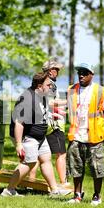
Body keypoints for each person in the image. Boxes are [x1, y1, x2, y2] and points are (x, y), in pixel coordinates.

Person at [2, 72, 70, 197]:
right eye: (49, 84)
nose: (51, 86)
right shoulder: (28, 99)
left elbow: (43, 110)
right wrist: (18, 144)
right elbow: (19, 123)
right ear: (39, 86)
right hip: (27, 136)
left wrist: (54, 113)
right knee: (29, 161)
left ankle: (54, 190)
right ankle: (9, 190)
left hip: (39, 135)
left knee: (45, 159)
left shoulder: (42, 95)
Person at [66, 63, 104, 206]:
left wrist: (97, 125)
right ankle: (77, 195)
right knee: (76, 167)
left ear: (92, 74)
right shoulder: (71, 90)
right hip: (76, 134)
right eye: (79, 72)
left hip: (94, 136)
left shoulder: (100, 91)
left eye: (85, 73)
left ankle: (97, 196)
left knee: (97, 168)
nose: (81, 75)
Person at [28, 59, 69, 187]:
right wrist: (70, 101)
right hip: (52, 125)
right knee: (61, 154)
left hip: (40, 123)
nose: (58, 72)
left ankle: (30, 182)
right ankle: (63, 182)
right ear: (51, 71)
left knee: (36, 155)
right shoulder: (50, 84)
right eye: (57, 69)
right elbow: (50, 103)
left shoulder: (40, 83)